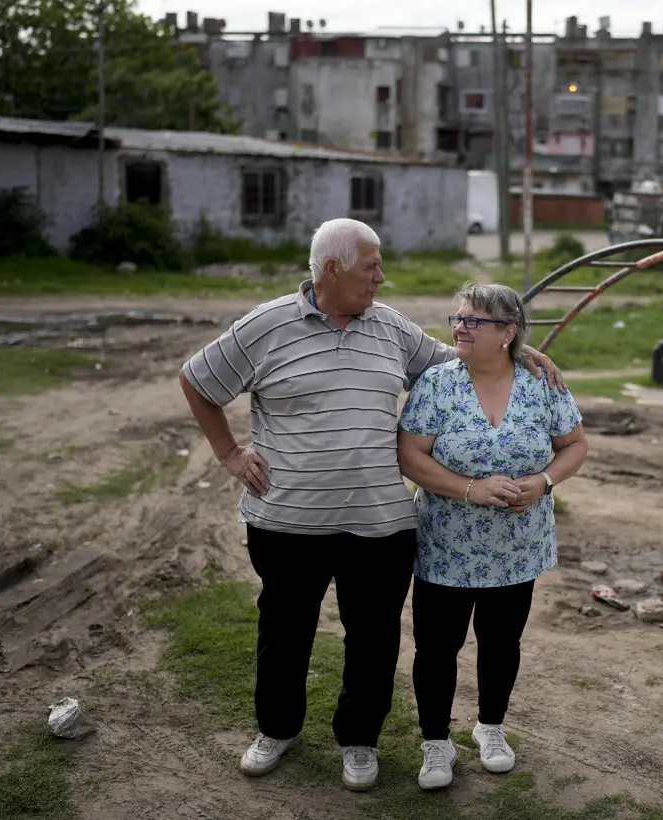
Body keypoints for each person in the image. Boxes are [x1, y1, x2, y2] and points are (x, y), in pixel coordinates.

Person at [176, 219, 564, 792]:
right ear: (332, 269)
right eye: (372, 266)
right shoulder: (266, 325)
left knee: (375, 639)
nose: (381, 277)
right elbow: (197, 381)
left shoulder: (391, 329)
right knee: (284, 632)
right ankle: (277, 730)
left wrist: (517, 352)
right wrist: (230, 453)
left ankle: (358, 742)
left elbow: (456, 360)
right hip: (287, 520)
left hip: (380, 525)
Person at [396, 283, 588, 790]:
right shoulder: (437, 385)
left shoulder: (541, 383)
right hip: (447, 545)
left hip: (518, 548)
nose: (460, 327)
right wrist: (469, 489)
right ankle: (436, 743)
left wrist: (544, 481)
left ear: (507, 333)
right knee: (437, 646)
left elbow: (574, 445)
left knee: (502, 643)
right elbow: (409, 456)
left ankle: (490, 728)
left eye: (474, 321)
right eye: (458, 317)